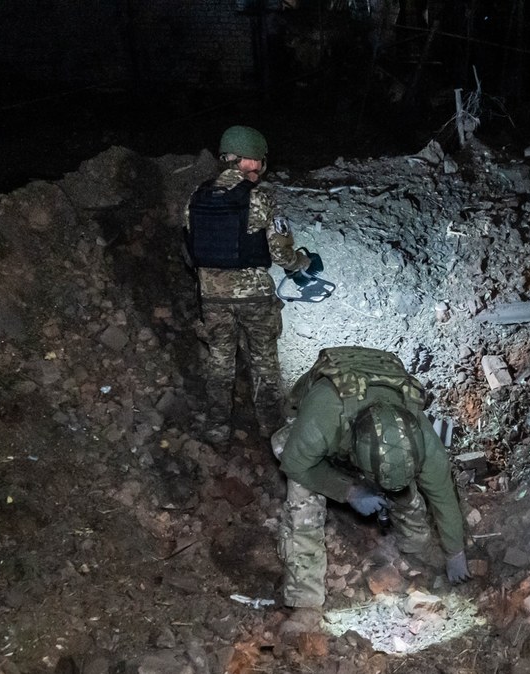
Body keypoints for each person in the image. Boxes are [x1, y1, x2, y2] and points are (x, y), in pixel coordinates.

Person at [271, 346, 472, 633]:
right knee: (303, 499)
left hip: (374, 446)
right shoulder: (324, 416)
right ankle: (305, 601)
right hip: (313, 434)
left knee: (409, 504)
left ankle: (419, 553)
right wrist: (349, 491)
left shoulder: (423, 443)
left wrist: (455, 553)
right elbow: (294, 463)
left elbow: (443, 497)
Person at [183, 125, 313, 442]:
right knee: (264, 361)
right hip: (255, 298)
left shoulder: (195, 198)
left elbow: (188, 249)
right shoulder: (259, 199)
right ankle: (272, 427)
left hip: (211, 298)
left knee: (220, 362)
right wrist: (302, 263)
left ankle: (217, 428)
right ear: (252, 162)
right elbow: (281, 253)